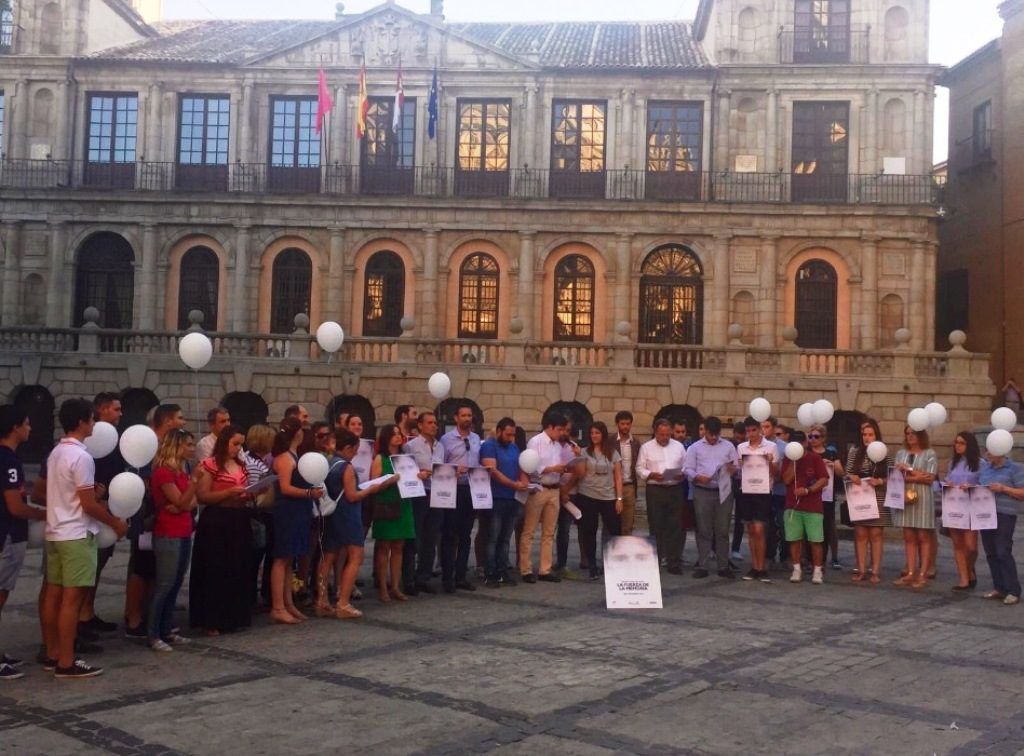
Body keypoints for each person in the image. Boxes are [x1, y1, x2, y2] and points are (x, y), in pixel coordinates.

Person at [41, 398, 127, 678]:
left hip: (55, 530)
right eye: (91, 420)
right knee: (72, 600)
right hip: (76, 532)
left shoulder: (56, 452)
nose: (94, 425)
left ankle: (53, 651)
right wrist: (114, 521)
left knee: (54, 594)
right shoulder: (82, 456)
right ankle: (67, 660)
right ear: (81, 422)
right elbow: (88, 504)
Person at [124, 403, 185, 639]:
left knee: (154, 569)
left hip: (161, 516)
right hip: (147, 516)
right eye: (179, 418)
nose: (183, 422)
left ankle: (149, 613)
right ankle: (134, 617)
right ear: (168, 421)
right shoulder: (148, 445)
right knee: (141, 567)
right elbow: (143, 482)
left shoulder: (166, 446)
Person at [189, 425, 254, 636]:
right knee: (216, 570)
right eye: (235, 444)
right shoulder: (209, 465)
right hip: (217, 521)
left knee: (237, 567)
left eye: (240, 445)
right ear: (224, 442)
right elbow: (203, 496)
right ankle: (211, 619)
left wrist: (250, 494)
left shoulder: (241, 465)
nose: (238, 448)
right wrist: (228, 493)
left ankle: (235, 616)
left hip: (239, 518)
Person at [319, 430, 387, 618]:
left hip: (332, 514)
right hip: (347, 514)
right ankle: (343, 603)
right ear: (347, 447)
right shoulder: (346, 467)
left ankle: (322, 600)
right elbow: (352, 495)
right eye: (355, 450)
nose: (356, 453)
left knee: (328, 557)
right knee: (356, 555)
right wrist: (371, 489)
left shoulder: (330, 462)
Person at [0, 405, 46, 680]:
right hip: (8, 535)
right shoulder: (8, 461)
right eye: (27, 423)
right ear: (15, 427)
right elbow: (15, 507)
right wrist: (42, 514)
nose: (30, 428)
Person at [148, 429, 199, 652]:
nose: (192, 448)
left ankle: (167, 628)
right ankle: (153, 633)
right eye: (188, 444)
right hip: (168, 532)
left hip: (184, 529)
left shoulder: (182, 470)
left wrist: (185, 500)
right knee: (165, 584)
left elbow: (190, 503)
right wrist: (193, 485)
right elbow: (180, 502)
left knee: (177, 581)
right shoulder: (163, 472)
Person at [78, 391, 123, 639]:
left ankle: (88, 611)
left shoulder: (113, 438)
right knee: (88, 569)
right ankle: (80, 618)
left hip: (109, 507)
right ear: (103, 409)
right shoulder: (91, 441)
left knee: (99, 565)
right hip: (95, 511)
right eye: (116, 409)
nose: (120, 413)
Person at [269, 418, 322, 625]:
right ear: (297, 433)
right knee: (282, 558)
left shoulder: (294, 455)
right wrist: (310, 492)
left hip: (299, 510)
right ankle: (278, 606)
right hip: (288, 511)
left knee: (290, 560)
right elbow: (285, 488)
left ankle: (288, 603)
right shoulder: (284, 458)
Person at [684, 416, 739, 579]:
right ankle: (703, 565)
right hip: (702, 491)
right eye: (710, 434)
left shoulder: (729, 446)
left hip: (723, 491)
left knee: (722, 530)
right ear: (705, 431)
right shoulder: (695, 448)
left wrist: (732, 469)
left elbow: (736, 467)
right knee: (703, 529)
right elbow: (687, 469)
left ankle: (723, 565)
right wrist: (697, 477)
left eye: (716, 434)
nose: (713, 437)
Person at [568, 421, 623, 581]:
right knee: (589, 531)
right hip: (588, 495)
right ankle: (592, 565)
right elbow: (581, 473)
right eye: (591, 433)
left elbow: (618, 476)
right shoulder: (584, 452)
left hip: (608, 496)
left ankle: (613, 563)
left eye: (597, 433)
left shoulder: (613, 453)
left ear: (603, 434)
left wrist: (619, 498)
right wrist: (578, 457)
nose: (594, 436)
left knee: (614, 530)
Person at [520, 411, 569, 584]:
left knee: (549, 532)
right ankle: (525, 568)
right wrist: (551, 468)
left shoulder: (558, 445)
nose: (561, 432)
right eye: (559, 429)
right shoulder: (536, 441)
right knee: (530, 530)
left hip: (554, 489)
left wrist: (562, 469)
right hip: (539, 488)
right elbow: (530, 465)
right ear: (549, 427)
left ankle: (544, 569)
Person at [479, 417, 528, 588]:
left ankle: (502, 570)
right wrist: (513, 484)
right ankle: (490, 573)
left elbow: (522, 466)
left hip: (512, 498)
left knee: (506, 538)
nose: (511, 438)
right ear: (499, 431)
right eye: (508, 434)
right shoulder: (489, 446)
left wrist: (523, 482)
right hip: (495, 498)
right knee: (493, 537)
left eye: (513, 435)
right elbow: (492, 470)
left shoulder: (514, 447)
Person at [439, 402, 481, 592]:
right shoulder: (446, 440)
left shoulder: (476, 438)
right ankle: (447, 578)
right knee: (450, 535)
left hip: (470, 490)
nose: (467, 419)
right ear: (456, 418)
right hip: (452, 489)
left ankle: (461, 576)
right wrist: (454, 471)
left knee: (465, 535)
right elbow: (440, 465)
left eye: (469, 415)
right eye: (463, 415)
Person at [845, 418, 892, 584]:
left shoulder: (883, 452)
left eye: (870, 434)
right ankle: (861, 569)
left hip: (878, 496)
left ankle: (875, 571)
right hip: (860, 496)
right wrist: (852, 476)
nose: (867, 437)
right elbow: (847, 472)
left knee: (876, 534)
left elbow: (892, 477)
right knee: (861, 533)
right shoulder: (854, 451)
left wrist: (880, 481)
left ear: (876, 435)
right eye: (864, 434)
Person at [636, 419, 686, 574]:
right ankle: (655, 560)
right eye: (661, 435)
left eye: (667, 435)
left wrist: (682, 474)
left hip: (675, 488)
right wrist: (650, 474)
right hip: (655, 489)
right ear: (655, 432)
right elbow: (639, 468)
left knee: (675, 525)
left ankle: (674, 562)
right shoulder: (646, 447)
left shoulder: (678, 446)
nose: (664, 438)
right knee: (656, 525)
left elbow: (686, 464)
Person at [403, 412, 444, 594]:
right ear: (420, 426)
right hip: (418, 494)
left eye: (435, 423)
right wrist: (417, 474)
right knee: (414, 537)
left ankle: (424, 577)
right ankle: (409, 579)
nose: (434, 426)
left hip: (437, 494)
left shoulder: (441, 447)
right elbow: (403, 471)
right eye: (429, 423)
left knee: (431, 537)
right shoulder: (410, 446)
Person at [370, 424, 412, 602]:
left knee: (398, 548)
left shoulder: (405, 458)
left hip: (403, 503)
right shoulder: (380, 458)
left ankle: (395, 586)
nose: (397, 437)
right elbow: (373, 485)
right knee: (383, 548)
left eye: (399, 434)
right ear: (387, 438)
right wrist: (390, 480)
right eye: (394, 434)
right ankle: (382, 587)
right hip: (387, 504)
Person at [892, 426, 938, 589]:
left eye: (913, 433)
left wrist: (910, 470)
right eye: (907, 433)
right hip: (905, 497)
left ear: (920, 435)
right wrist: (918, 475)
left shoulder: (929, 453)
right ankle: (910, 572)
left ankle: (923, 574)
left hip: (923, 498)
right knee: (909, 536)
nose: (910, 436)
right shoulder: (901, 453)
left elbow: (930, 478)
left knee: (923, 536)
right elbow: (898, 476)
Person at [781, 431, 829, 584]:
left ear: (805, 443)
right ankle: (796, 569)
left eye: (799, 444)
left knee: (815, 540)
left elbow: (824, 479)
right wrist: (794, 462)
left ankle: (817, 570)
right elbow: (786, 479)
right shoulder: (788, 459)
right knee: (794, 539)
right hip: (792, 506)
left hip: (813, 506)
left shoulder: (815, 458)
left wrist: (808, 490)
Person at [978, 450, 1024, 605]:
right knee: (990, 552)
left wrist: (1004, 489)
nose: (987, 454)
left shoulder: (1015, 468)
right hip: (985, 513)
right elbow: (980, 487)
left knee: (1002, 550)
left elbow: (1022, 493)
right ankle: (999, 587)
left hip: (1005, 514)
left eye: (991, 451)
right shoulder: (985, 469)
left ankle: (1013, 590)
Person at [736, 416, 776, 583]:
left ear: (760, 430)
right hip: (746, 491)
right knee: (751, 529)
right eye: (748, 431)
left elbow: (776, 472)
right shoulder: (741, 447)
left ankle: (762, 567)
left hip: (763, 491)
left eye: (753, 430)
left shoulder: (771, 446)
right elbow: (739, 471)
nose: (751, 434)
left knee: (760, 529)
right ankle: (754, 566)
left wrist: (770, 462)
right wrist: (735, 467)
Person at [244, 424, 276, 609]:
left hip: (260, 512)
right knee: (256, 556)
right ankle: (252, 597)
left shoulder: (257, 461)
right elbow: (253, 489)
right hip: (258, 513)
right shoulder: (254, 464)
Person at [945, 431, 982, 591]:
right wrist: (948, 484)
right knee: (958, 544)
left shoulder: (981, 463)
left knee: (971, 547)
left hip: (971, 507)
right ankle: (964, 579)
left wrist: (973, 487)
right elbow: (946, 480)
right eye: (956, 442)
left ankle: (969, 568)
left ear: (969, 445)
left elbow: (985, 484)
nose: (957, 446)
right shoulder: (952, 463)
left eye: (961, 443)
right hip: (954, 505)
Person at [808, 424, 844, 569]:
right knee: (809, 529)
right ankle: (810, 560)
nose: (813, 440)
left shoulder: (831, 454)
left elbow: (841, 473)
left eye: (816, 437)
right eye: (810, 436)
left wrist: (832, 464)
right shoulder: (806, 452)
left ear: (823, 438)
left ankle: (821, 561)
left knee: (825, 528)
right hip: (809, 495)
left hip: (827, 496)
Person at [761, 416, 788, 568]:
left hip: (780, 492)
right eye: (762, 427)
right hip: (763, 491)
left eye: (767, 427)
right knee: (768, 526)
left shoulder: (784, 447)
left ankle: (785, 556)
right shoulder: (758, 445)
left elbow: (787, 470)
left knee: (784, 525)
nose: (764, 430)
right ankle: (769, 555)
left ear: (774, 427)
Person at [614, 411, 641, 536]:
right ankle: (609, 554)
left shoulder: (635, 442)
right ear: (617, 424)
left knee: (628, 524)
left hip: (629, 486)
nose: (625, 426)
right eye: (622, 424)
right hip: (612, 487)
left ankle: (625, 553)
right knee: (612, 523)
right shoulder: (610, 441)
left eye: (628, 424)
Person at [729, 421, 747, 562]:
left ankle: (736, 548)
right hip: (729, 484)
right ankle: (714, 548)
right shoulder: (729, 445)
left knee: (740, 518)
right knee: (722, 517)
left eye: (742, 434)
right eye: (737, 434)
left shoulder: (748, 447)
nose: (739, 436)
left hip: (743, 485)